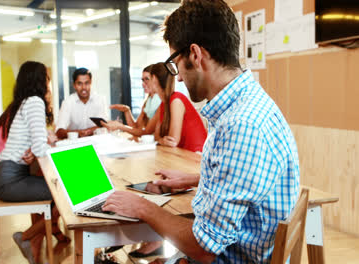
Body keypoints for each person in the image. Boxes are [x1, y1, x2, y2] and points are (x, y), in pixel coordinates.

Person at [102, 1, 300, 263]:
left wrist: (142, 206)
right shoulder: (250, 103)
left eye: (175, 63)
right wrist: (197, 178)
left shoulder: (240, 126)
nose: (179, 77)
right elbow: (246, 180)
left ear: (195, 55)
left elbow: (204, 249)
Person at [0, 61, 69, 264]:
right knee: (67, 192)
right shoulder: (35, 102)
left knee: (62, 191)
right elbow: (40, 148)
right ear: (40, 80)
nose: (49, 82)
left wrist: (42, 145)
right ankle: (25, 237)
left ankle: (27, 239)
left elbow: (39, 143)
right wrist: (47, 149)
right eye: (47, 78)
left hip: (8, 177)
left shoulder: (25, 102)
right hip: (11, 181)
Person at [151, 62, 207, 152]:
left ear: (154, 79)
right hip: (182, 153)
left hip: (196, 156)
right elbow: (156, 136)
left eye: (147, 79)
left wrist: (161, 140)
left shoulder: (176, 100)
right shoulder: (164, 104)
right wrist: (161, 140)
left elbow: (172, 141)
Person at [105, 65, 161, 137]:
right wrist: (127, 110)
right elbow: (136, 127)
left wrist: (120, 126)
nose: (143, 84)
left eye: (147, 79)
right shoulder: (148, 102)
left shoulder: (161, 102)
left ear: (155, 79)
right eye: (143, 80)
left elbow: (146, 132)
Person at [55, 67, 108, 139]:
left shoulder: (100, 100)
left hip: (97, 143)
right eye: (79, 84)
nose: (83, 87)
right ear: (74, 85)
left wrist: (87, 131)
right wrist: (78, 133)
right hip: (76, 145)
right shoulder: (68, 102)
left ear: (91, 83)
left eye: (87, 83)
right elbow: (59, 132)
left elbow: (105, 125)